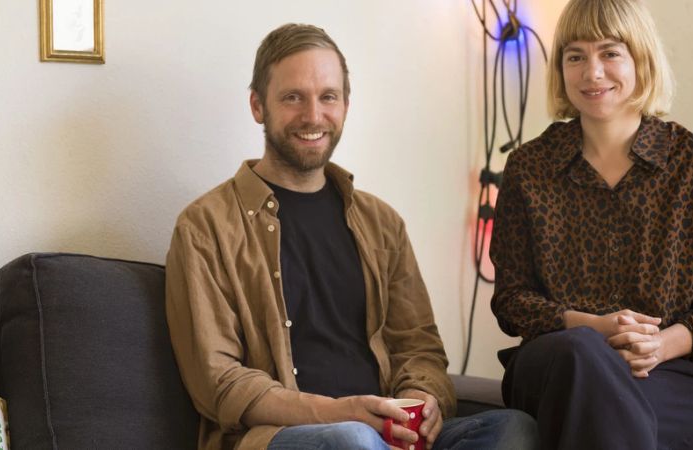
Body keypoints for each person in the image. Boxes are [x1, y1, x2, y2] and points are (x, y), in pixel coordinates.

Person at [165, 23, 537, 450]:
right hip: (281, 438)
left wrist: (423, 397)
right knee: (352, 441)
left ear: (345, 105)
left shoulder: (382, 223)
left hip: (387, 435)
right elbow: (220, 383)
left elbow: (418, 347)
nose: (313, 116)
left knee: (513, 429)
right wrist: (340, 412)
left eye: (328, 97)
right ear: (257, 106)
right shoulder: (204, 228)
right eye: (292, 98)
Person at [489, 0, 693, 449]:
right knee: (583, 354)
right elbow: (512, 300)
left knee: (604, 411)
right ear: (561, 69)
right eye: (575, 56)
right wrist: (592, 328)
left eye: (610, 53)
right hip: (556, 365)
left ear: (641, 60)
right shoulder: (528, 167)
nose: (592, 73)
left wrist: (661, 344)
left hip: (671, 373)